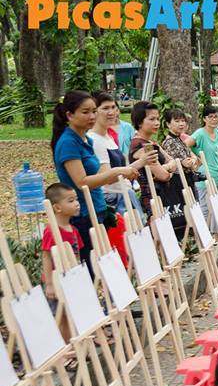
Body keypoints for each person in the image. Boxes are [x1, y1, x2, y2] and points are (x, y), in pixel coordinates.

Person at [51, 90, 140, 266]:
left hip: (97, 209)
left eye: (93, 111)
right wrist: (117, 172)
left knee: (106, 265)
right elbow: (82, 182)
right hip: (82, 213)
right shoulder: (68, 142)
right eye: (85, 112)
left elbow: (97, 176)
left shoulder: (86, 139)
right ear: (69, 115)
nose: (92, 116)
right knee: (92, 267)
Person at [129, 101, 189, 227]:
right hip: (153, 198)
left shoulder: (151, 142)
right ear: (139, 122)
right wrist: (168, 168)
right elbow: (164, 175)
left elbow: (173, 161)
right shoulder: (142, 145)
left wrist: (166, 167)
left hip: (164, 195)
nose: (156, 123)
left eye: (157, 119)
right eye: (151, 119)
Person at [88, 92, 146, 219]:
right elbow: (107, 178)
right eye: (105, 108)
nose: (111, 112)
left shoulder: (108, 137)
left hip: (126, 194)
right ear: (94, 112)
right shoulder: (94, 140)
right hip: (114, 201)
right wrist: (130, 169)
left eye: (113, 107)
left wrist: (142, 162)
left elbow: (122, 170)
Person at [41, 184, 83, 341]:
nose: (77, 203)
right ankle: (66, 347)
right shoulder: (51, 231)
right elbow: (46, 256)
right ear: (57, 207)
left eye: (76, 199)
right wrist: (49, 284)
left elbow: (77, 255)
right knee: (61, 316)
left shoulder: (73, 229)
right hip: (56, 281)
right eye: (71, 200)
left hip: (71, 279)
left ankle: (75, 343)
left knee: (73, 313)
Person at [160, 108, 201, 223]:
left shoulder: (179, 139)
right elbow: (186, 163)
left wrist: (192, 161)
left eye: (183, 121)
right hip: (178, 182)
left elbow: (194, 159)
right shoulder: (169, 142)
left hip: (187, 179)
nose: (181, 124)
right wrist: (190, 162)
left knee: (193, 209)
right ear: (168, 124)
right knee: (187, 214)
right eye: (177, 121)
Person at [189, 106, 218, 216]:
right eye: (210, 117)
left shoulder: (217, 132)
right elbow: (184, 145)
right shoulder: (200, 133)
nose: (214, 119)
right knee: (206, 208)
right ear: (204, 119)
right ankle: (206, 228)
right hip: (205, 177)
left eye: (216, 116)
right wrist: (194, 157)